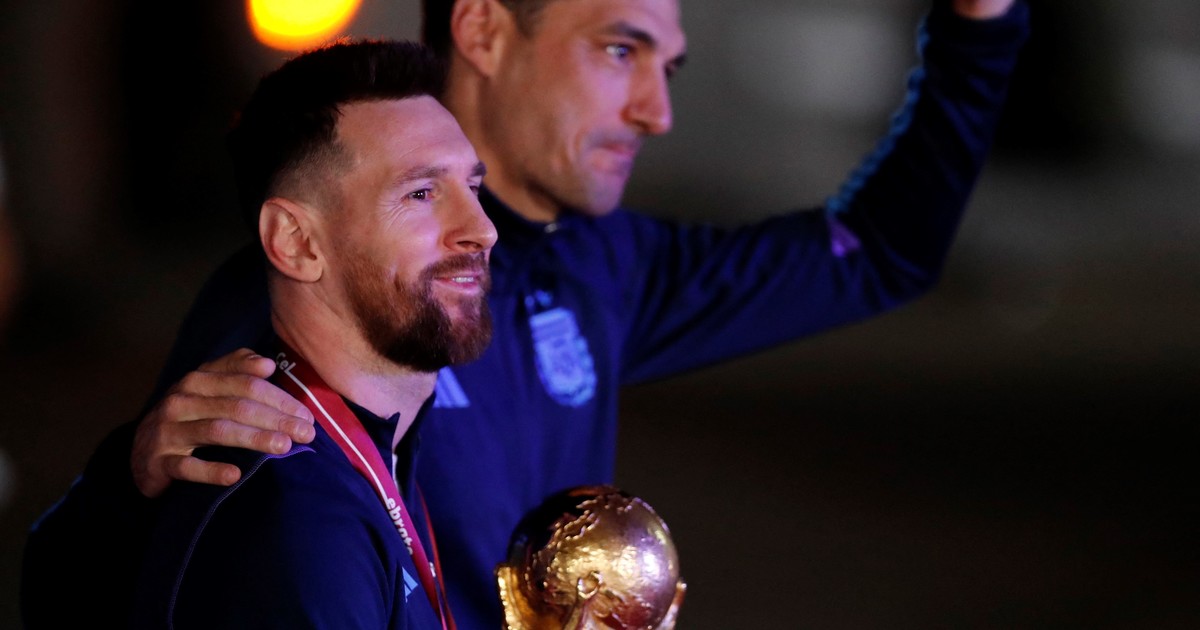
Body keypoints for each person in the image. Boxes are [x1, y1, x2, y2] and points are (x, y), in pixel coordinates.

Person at [23, 1, 1032, 628]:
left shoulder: (603, 262)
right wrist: (128, 479)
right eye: (620, 50)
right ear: (483, 31)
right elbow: (96, 589)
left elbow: (881, 254)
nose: (655, 110)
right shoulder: (307, 291)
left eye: (668, 66)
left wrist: (979, 25)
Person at [127, 39, 495, 628]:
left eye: (472, 188)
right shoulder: (296, 519)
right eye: (421, 193)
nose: (482, 229)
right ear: (296, 242)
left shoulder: (371, 450)